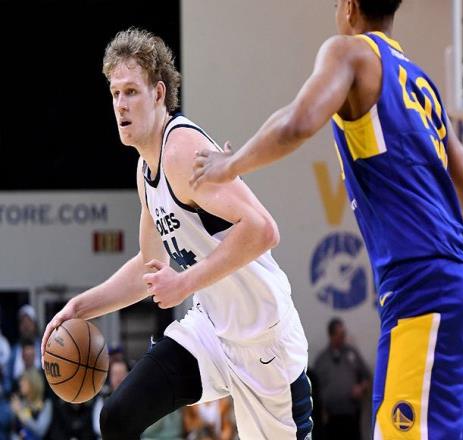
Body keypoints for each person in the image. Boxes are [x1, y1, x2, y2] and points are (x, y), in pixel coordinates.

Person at [190, 1, 463, 438]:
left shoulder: (350, 52)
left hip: (425, 294)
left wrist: (229, 164)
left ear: (350, 7)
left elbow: (297, 122)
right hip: (457, 298)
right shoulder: (421, 85)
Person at [41, 28, 312, 440]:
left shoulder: (181, 150)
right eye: (115, 93)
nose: (120, 104)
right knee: (117, 418)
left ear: (158, 93)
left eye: (131, 92)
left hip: (264, 343)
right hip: (211, 333)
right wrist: (80, 307)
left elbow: (263, 230)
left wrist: (185, 283)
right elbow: (147, 269)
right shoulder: (145, 171)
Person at [313, 318, 370, 439]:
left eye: (344, 334)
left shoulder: (352, 353)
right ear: (331, 335)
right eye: (340, 335)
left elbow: (366, 376)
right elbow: (314, 388)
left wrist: (361, 388)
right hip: (330, 418)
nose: (343, 337)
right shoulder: (322, 360)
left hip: (351, 415)